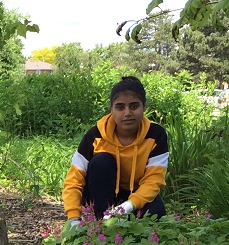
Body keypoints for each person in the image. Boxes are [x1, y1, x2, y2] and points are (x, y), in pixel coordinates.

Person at [62, 75, 168, 223]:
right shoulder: (95, 135)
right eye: (120, 107)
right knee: (101, 161)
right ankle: (101, 221)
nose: (127, 113)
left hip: (135, 196)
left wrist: (129, 206)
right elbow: (74, 179)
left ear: (144, 106)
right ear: (111, 109)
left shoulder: (156, 135)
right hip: (101, 195)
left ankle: (125, 224)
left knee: (157, 213)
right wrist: (73, 217)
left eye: (134, 106)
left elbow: (154, 180)